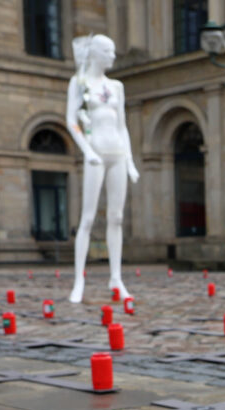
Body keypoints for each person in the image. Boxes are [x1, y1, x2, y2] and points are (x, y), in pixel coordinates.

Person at [66, 34, 140, 304]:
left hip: (116, 152)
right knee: (87, 219)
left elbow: (122, 126)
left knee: (116, 218)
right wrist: (87, 150)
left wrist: (130, 161)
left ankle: (116, 277)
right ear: (95, 53)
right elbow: (71, 120)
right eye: (108, 51)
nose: (113, 56)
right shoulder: (80, 82)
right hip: (95, 151)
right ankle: (79, 280)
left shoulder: (117, 87)